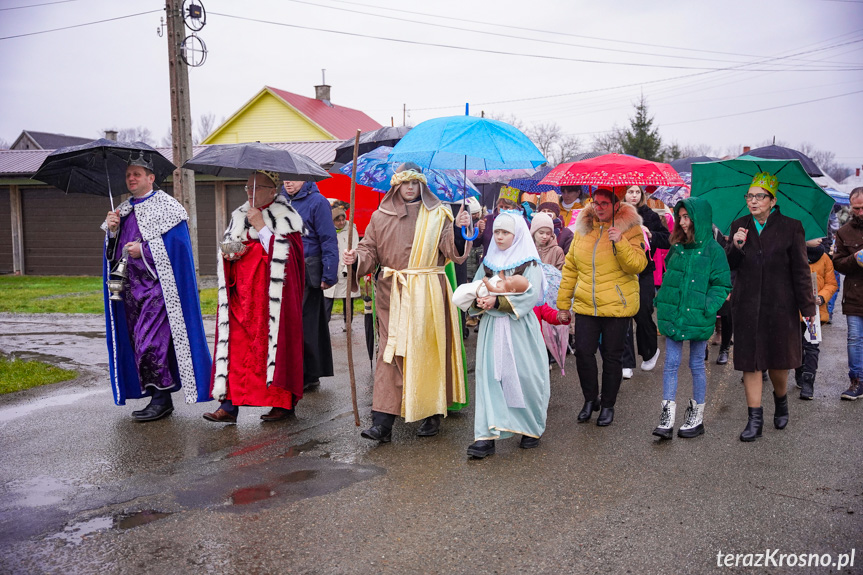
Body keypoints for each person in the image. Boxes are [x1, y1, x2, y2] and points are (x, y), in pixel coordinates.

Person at [343, 163, 473, 442]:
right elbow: (369, 250)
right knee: (390, 354)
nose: (410, 188)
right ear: (396, 186)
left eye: (415, 183)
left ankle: (431, 414)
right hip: (392, 293)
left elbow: (452, 251)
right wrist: (357, 259)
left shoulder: (439, 214)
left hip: (428, 293)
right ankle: (383, 422)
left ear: (422, 186)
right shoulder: (380, 216)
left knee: (426, 351)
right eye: (405, 183)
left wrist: (461, 231)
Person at [103, 153, 212, 421]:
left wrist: (145, 250)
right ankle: (156, 395)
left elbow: (179, 249)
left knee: (152, 343)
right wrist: (113, 232)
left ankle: (161, 398)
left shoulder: (168, 207)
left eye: (137, 174)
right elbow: (112, 256)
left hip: (159, 291)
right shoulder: (123, 210)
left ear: (151, 178)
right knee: (138, 344)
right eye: (129, 174)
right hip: (130, 293)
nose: (131, 178)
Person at [204, 171, 305, 423]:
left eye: (258, 187)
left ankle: (281, 404)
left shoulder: (286, 217)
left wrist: (261, 226)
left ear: (273, 190)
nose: (250, 192)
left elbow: (288, 258)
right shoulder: (238, 215)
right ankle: (228, 406)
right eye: (247, 187)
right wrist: (229, 254)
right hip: (241, 298)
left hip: (271, 302)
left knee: (273, 349)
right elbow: (231, 245)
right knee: (235, 350)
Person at [726, 172, 816, 441]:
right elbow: (730, 264)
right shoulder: (739, 225)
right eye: (749, 196)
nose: (753, 201)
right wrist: (736, 245)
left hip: (781, 306)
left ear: (773, 200)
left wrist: (808, 309)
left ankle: (781, 400)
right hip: (747, 307)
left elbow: (801, 271)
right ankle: (754, 418)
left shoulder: (791, 227)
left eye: (759, 196)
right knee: (750, 364)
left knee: (778, 362)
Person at [463, 212, 551, 458]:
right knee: (490, 378)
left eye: (505, 233)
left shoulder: (530, 263)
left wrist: (498, 301)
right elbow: (477, 286)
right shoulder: (489, 261)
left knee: (525, 376)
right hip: (492, 328)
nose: (499, 237)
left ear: (517, 234)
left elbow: (529, 295)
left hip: (519, 328)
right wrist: (479, 299)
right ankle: (486, 435)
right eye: (497, 232)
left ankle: (529, 428)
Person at [557, 188, 647, 426]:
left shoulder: (631, 228)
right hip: (587, 304)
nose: (599, 207)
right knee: (584, 353)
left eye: (605, 203)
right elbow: (571, 268)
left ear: (616, 205)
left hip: (617, 306)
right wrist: (563, 304)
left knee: (612, 357)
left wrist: (621, 242)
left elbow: (637, 265)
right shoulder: (583, 228)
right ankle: (590, 400)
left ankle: (608, 405)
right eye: (596, 203)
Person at [652, 197, 731, 439]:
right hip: (675, 314)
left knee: (696, 364)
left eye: (688, 217)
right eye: (681, 217)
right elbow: (669, 279)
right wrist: (662, 302)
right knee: (671, 365)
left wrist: (706, 307)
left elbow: (722, 285)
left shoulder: (714, 251)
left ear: (700, 219)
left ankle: (696, 417)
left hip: (699, 316)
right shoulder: (677, 248)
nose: (683, 222)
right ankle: (667, 418)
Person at [282, 180, 339, 391]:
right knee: (288, 325)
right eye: (285, 177)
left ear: (305, 179)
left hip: (308, 270)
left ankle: (308, 373)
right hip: (284, 270)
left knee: (307, 325)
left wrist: (329, 272)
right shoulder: (279, 201)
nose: (288, 182)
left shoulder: (318, 202)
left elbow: (328, 239)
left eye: (293, 178)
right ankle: (298, 371)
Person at [621, 185, 670, 379]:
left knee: (642, 312)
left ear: (641, 195)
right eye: (629, 191)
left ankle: (650, 351)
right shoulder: (617, 214)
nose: (633, 195)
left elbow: (667, 239)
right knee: (622, 315)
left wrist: (651, 234)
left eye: (636, 192)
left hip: (644, 271)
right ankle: (626, 362)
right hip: (622, 272)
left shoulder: (650, 215)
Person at [795, 237, 837, 400]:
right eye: (815, 237)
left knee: (812, 347)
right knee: (796, 346)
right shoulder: (793, 255)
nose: (821, 239)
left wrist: (822, 296)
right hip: (794, 311)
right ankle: (799, 371)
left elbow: (831, 283)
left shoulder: (824, 257)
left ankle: (808, 383)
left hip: (814, 312)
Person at [831, 187, 863, 400]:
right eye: (856, 208)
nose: (859, 212)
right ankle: (857, 381)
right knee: (854, 339)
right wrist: (856, 259)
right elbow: (838, 263)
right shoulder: (844, 232)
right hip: (854, 295)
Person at [323, 205, 360, 327]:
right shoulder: (326, 229)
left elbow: (355, 247)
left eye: (343, 219)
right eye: (338, 220)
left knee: (348, 298)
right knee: (328, 298)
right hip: (331, 269)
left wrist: (347, 268)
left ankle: (347, 323)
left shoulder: (351, 229)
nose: (341, 222)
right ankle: (325, 324)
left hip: (346, 269)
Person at [480, 186, 523, 255]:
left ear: (514, 208)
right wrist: (479, 231)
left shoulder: (521, 222)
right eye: (501, 206)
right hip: (489, 260)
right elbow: (475, 243)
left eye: (507, 207)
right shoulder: (488, 219)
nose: (503, 209)